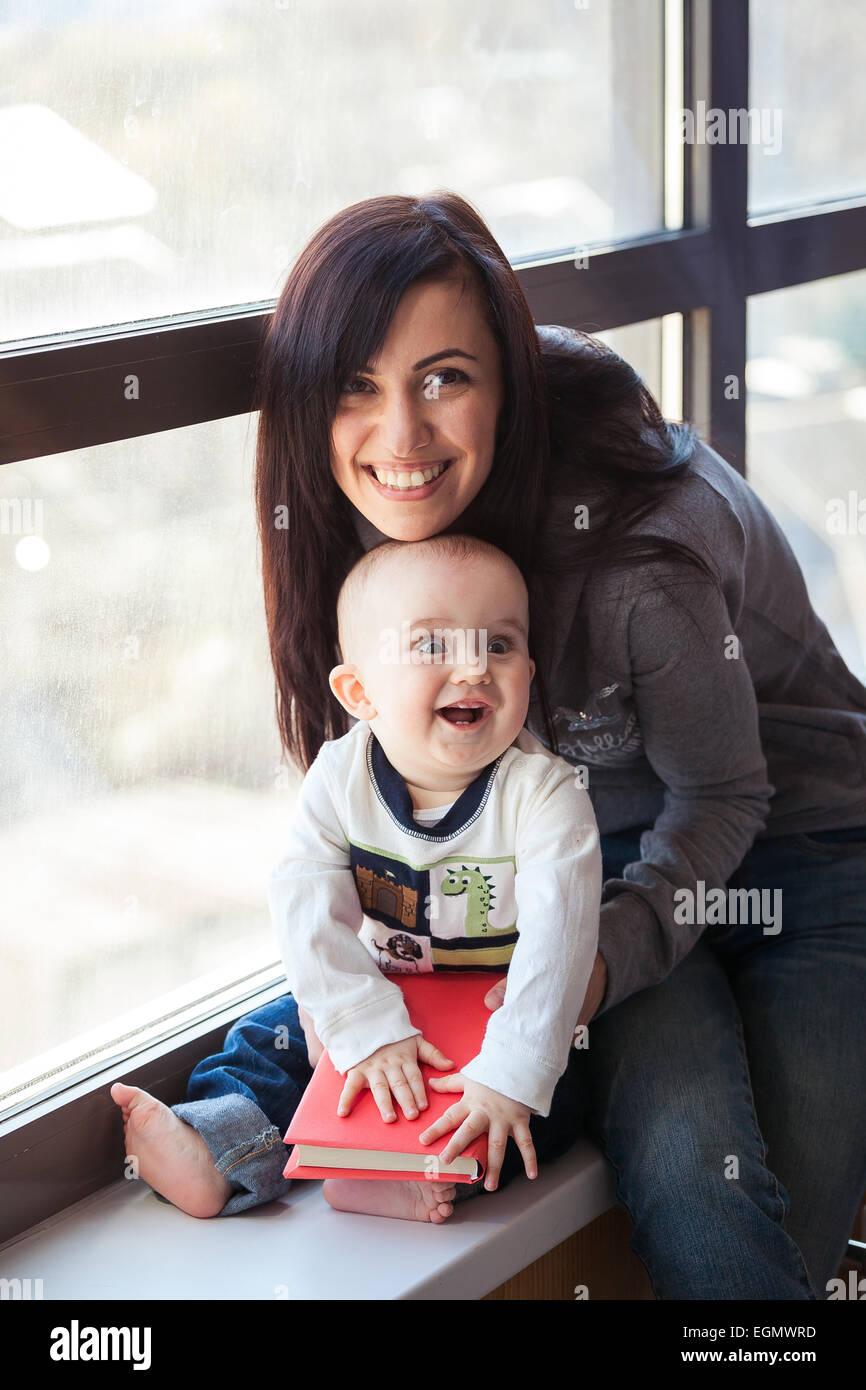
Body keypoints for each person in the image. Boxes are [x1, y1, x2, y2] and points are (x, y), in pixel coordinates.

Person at [112, 190, 866, 1299]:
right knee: (443, 1013)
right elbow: (373, 859)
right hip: (590, 868)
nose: (401, 437)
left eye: (443, 379)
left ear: (505, 382)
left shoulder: (632, 561)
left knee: (747, 1225)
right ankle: (229, 1131)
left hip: (798, 849)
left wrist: (579, 969)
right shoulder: (377, 549)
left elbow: (719, 798)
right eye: (355, 387)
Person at [265, 532, 601, 1222]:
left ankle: (420, 1178)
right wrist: (362, 1024)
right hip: (384, 989)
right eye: (432, 646)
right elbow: (304, 906)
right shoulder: (338, 777)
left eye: (500, 646)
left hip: (497, 1013)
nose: (475, 668)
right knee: (266, 1040)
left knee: (545, 1102)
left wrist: (510, 1071)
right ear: (360, 692)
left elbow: (559, 948)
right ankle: (221, 1143)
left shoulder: (544, 794)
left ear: (528, 674)